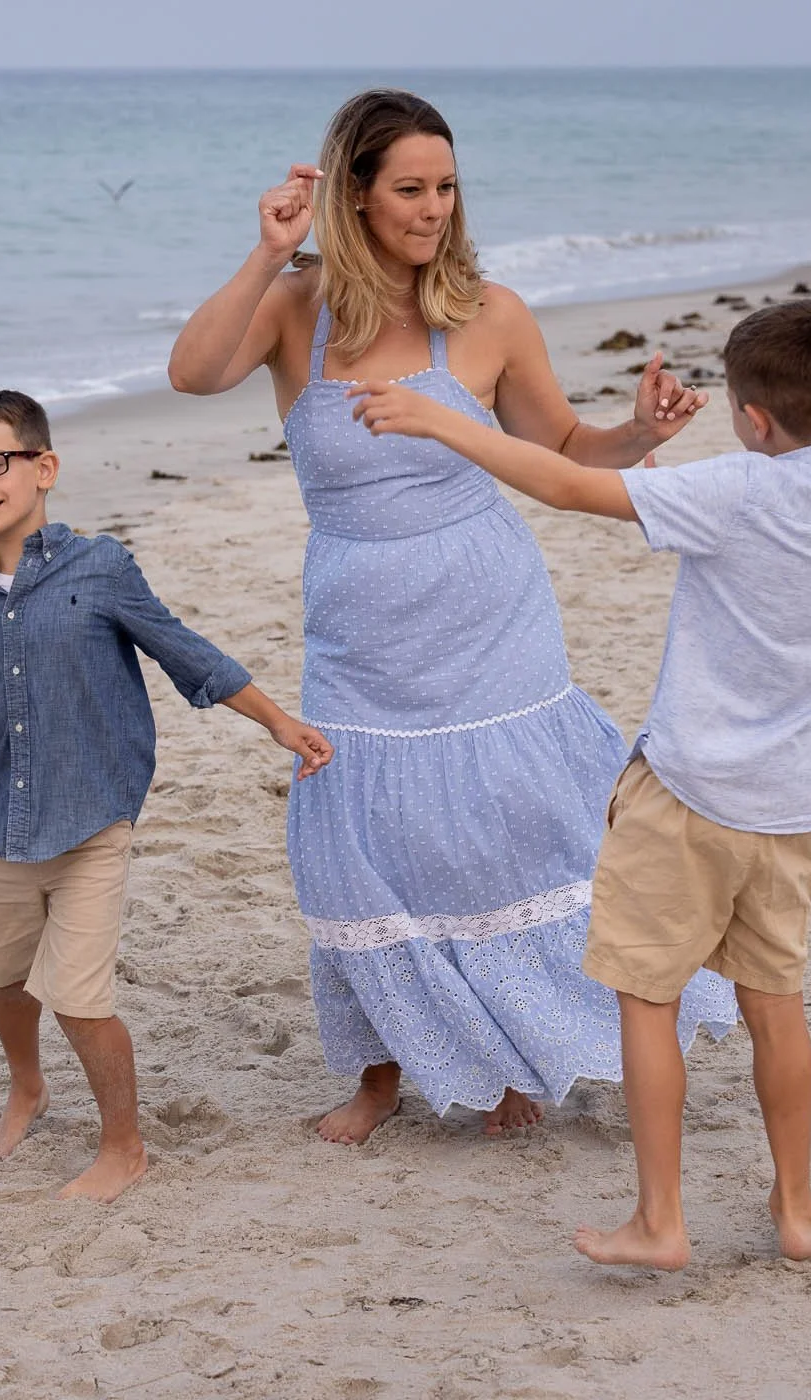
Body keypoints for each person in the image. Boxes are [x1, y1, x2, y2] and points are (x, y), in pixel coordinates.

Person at [167, 88, 739, 1143]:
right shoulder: (299, 309)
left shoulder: (491, 312)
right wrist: (263, 252)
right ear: (355, 194)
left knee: (504, 836)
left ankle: (508, 1051)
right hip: (359, 621)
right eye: (410, 189)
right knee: (363, 835)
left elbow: (562, 447)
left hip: (490, 614)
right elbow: (192, 372)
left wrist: (636, 430)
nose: (433, 210)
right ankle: (381, 1071)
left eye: (447, 187)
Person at [349, 298, 811, 1268]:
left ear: (755, 417)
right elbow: (704, 513)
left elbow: (567, 489)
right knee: (777, 1005)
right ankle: (797, 1207)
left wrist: (446, 419)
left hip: (687, 793)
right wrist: (648, 452)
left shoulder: (735, 490)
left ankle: (660, 1217)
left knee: (646, 999)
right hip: (789, 809)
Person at [0, 390, 333, 1202]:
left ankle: (124, 1144)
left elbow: (186, 653)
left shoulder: (102, 567)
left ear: (43, 468)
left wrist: (278, 722)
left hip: (91, 821)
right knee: (9, 984)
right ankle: (28, 1088)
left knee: (80, 998)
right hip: (3, 823)